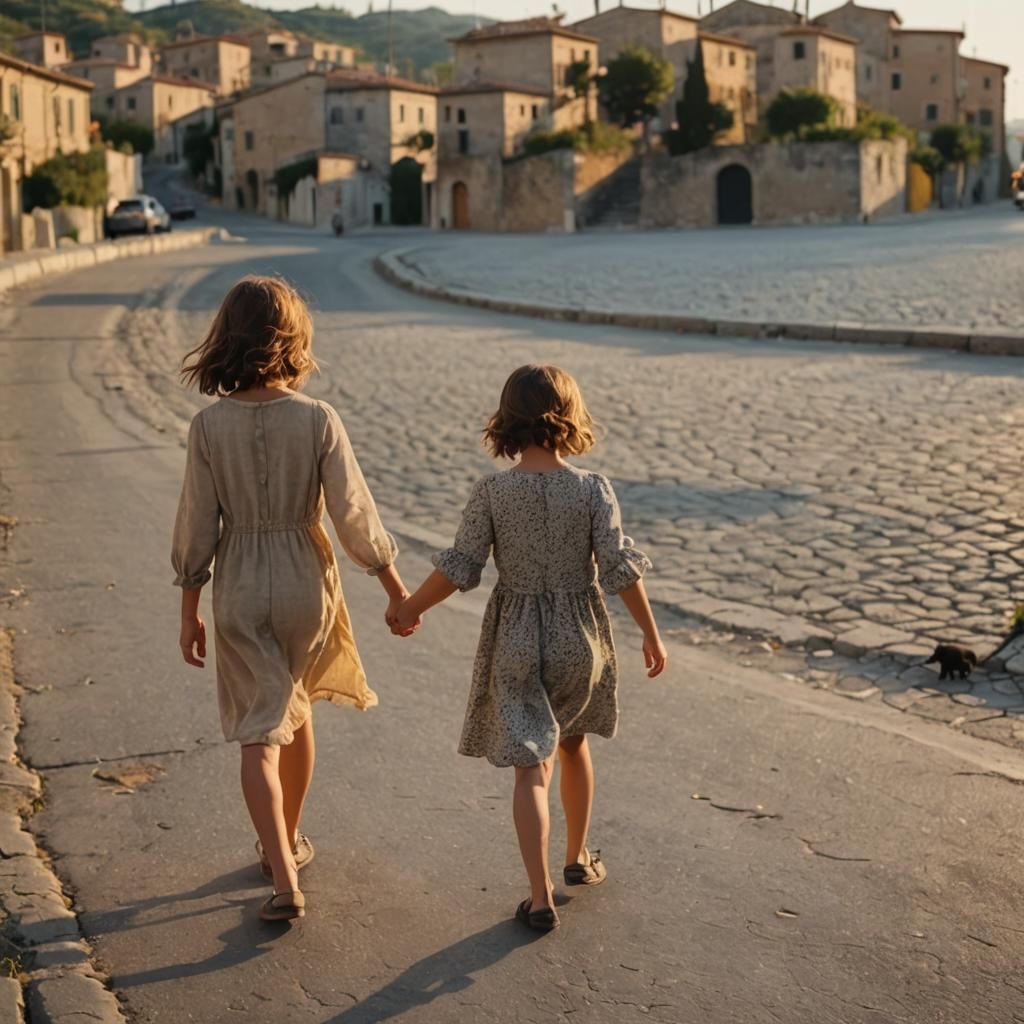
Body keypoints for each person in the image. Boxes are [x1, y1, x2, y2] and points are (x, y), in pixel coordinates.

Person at [171, 276, 416, 923]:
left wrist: (188, 610)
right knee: (294, 713)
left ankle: (281, 867)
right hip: (306, 583)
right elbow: (354, 515)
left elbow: (196, 528)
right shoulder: (317, 419)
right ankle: (284, 843)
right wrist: (397, 595)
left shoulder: (207, 426)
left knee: (262, 729)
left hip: (240, 582)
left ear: (226, 337)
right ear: (292, 340)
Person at [396, 364, 667, 932]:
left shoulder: (493, 491)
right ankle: (577, 859)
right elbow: (619, 568)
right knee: (572, 743)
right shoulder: (594, 489)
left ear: (507, 421)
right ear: (570, 417)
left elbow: (461, 567)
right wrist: (650, 632)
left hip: (517, 634)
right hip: (580, 636)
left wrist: (410, 607)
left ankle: (539, 895)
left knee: (529, 770)